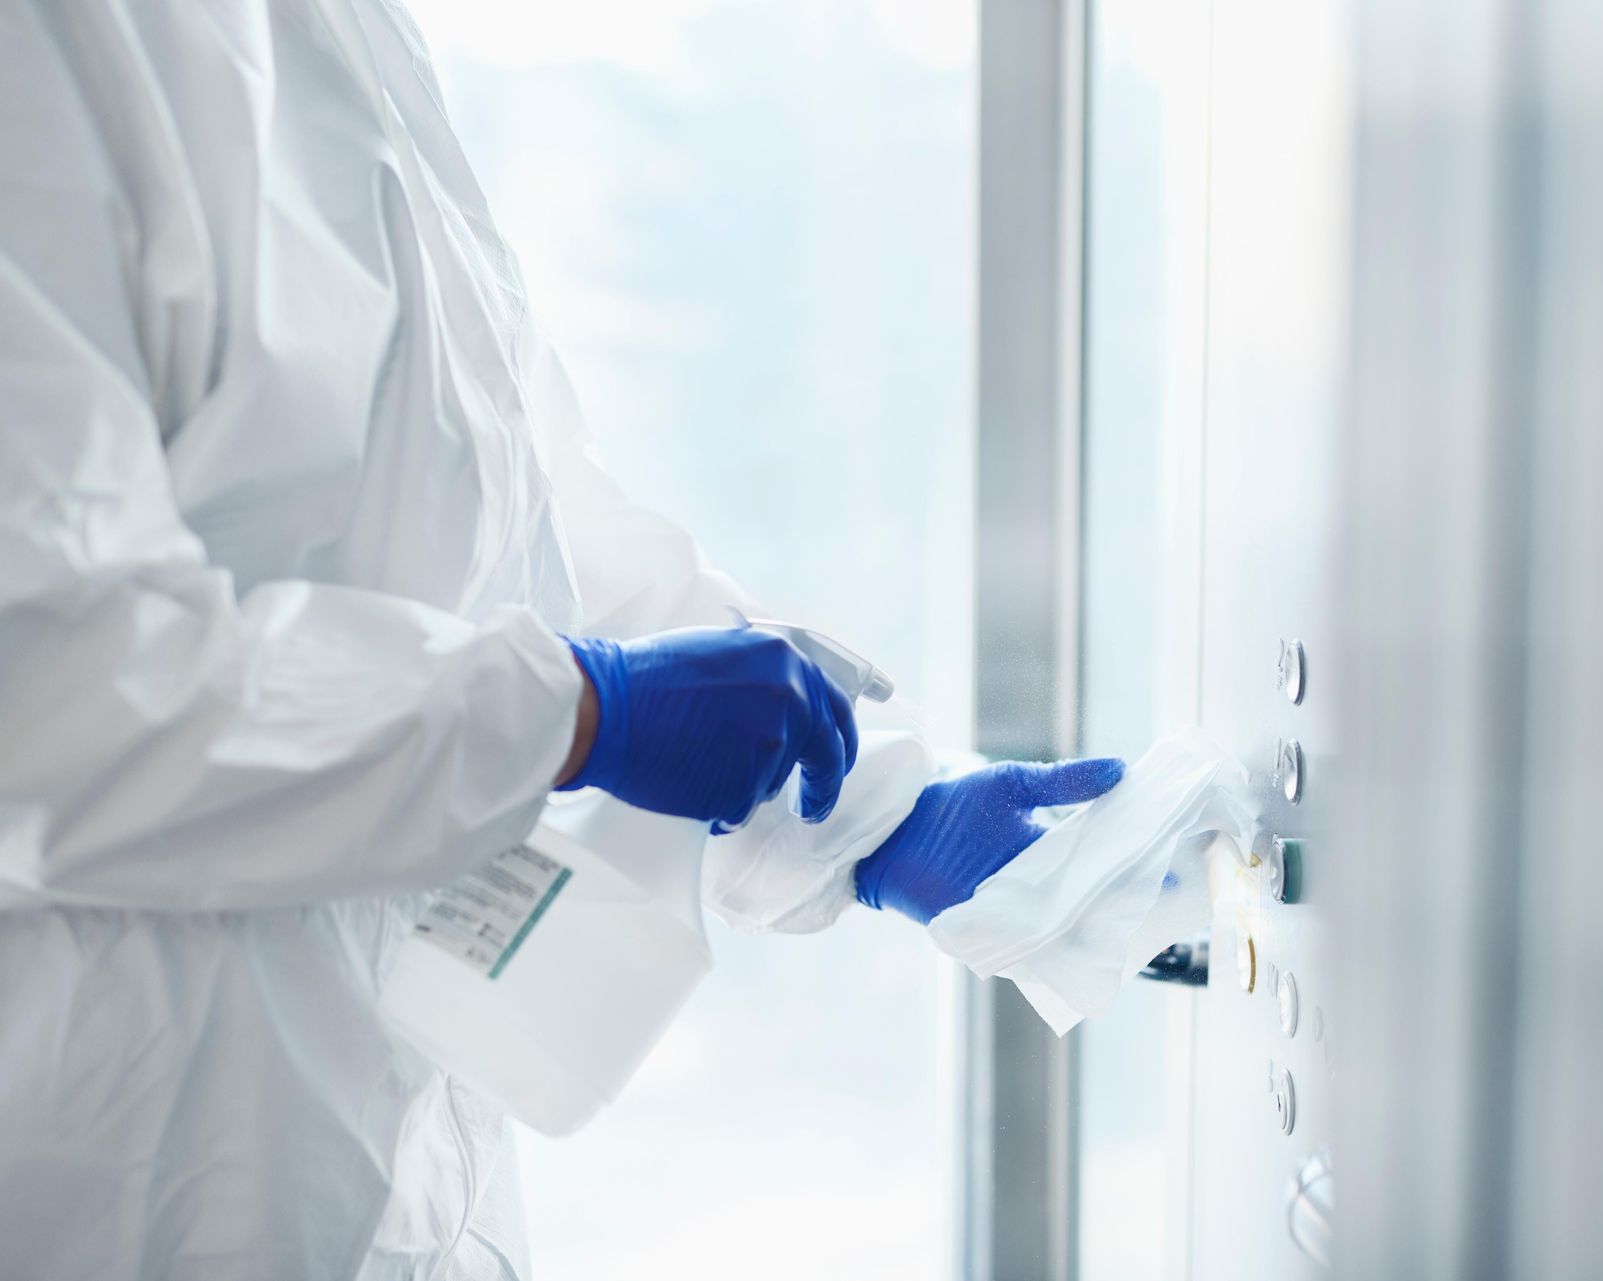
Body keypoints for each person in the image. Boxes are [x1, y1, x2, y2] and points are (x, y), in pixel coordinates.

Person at [0, 3, 1122, 1277]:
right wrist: (578, 713)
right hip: (126, 1172)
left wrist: (864, 807)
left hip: (367, 1145)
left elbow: (504, 506)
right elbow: (58, 693)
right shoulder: (53, 49)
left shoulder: (339, 35)